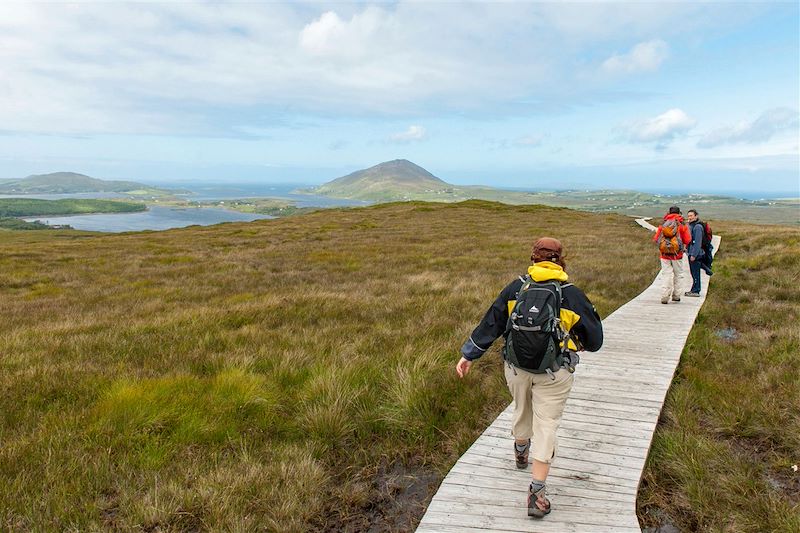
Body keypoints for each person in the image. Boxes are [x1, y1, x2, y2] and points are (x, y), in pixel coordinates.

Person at [455, 237, 603, 519]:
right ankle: (537, 493)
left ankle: (521, 450)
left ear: (534, 257)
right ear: (560, 259)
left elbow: (492, 322)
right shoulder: (571, 294)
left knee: (521, 409)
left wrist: (469, 355)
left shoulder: (516, 287)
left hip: (516, 368)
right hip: (555, 372)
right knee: (547, 424)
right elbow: (594, 340)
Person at [652, 206, 691, 304]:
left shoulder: (663, 224)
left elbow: (656, 239)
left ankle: (665, 295)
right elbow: (687, 240)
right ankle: (676, 295)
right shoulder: (682, 225)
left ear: (669, 212)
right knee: (678, 275)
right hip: (677, 255)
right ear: (679, 213)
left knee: (666, 274)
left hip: (664, 255)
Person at [685, 209, 706, 297]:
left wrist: (693, 255)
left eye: (691, 216)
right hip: (692, 252)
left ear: (696, 216)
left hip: (696, 254)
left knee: (695, 272)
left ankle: (696, 290)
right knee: (693, 272)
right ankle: (694, 289)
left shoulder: (697, 227)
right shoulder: (692, 225)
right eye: (688, 216)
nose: (689, 217)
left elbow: (697, 242)